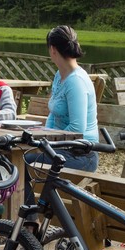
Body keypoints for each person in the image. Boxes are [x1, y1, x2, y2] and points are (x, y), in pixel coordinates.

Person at [25, 25, 99, 202]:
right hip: (61, 149)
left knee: (21, 163)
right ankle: (27, 215)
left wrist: (46, 141)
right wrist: (43, 137)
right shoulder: (60, 75)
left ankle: (28, 218)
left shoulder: (76, 82)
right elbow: (53, 115)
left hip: (80, 154)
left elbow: (76, 129)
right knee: (17, 157)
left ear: (52, 49)